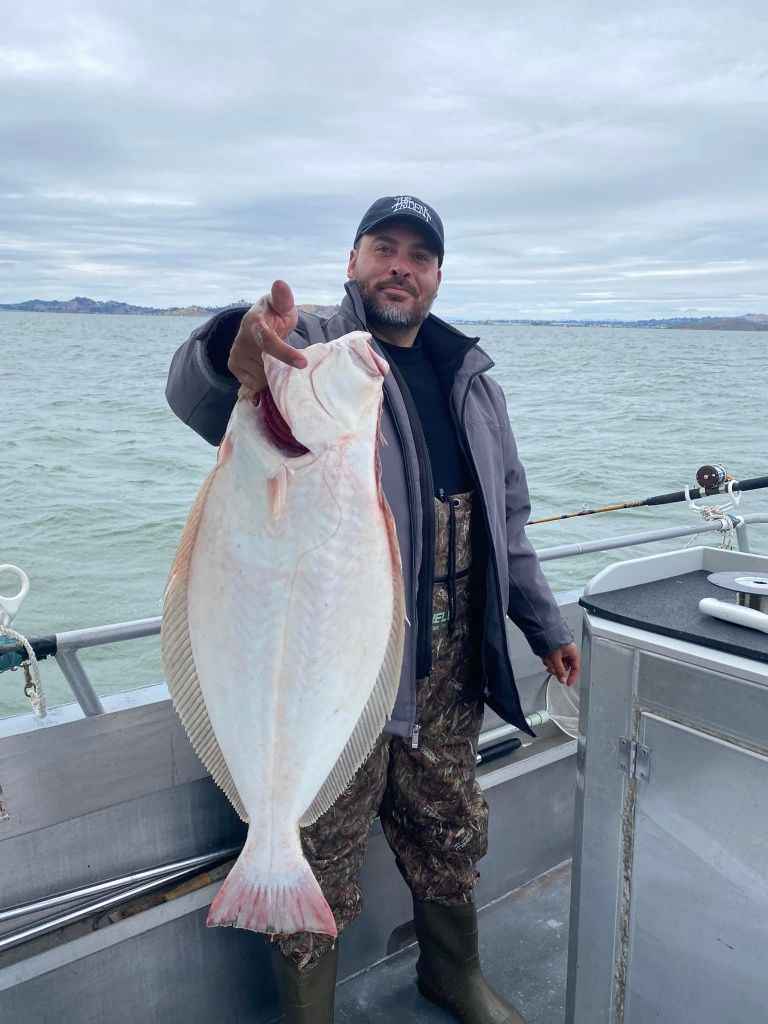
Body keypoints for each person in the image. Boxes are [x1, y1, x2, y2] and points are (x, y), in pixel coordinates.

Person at [165, 195, 580, 1024]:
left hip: (452, 664)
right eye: (383, 248)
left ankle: (450, 974)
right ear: (351, 261)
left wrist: (544, 626)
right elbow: (199, 390)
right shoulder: (307, 349)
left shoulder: (472, 377)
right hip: (340, 661)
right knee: (317, 850)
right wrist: (226, 342)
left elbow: (508, 519)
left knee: (451, 830)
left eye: (419, 256)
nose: (401, 266)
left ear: (436, 276)